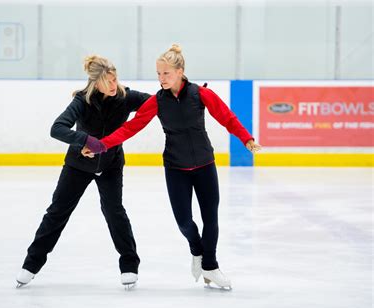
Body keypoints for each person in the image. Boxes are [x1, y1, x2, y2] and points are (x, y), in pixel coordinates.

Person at [84, 44, 261, 289]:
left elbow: (226, 117)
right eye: (158, 74)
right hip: (176, 168)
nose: (161, 78)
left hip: (205, 165)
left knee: (211, 219)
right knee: (184, 222)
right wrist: (101, 144)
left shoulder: (200, 94)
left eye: (166, 73)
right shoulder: (157, 102)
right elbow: (129, 128)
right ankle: (197, 250)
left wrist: (246, 139)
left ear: (180, 71)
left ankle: (211, 266)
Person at [16, 55, 150, 289]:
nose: (113, 85)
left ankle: (129, 265)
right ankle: (31, 264)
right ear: (95, 83)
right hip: (79, 165)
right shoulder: (82, 101)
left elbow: (156, 103)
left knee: (114, 211)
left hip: (110, 164)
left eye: (115, 79)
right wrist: (87, 141)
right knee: (57, 211)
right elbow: (57, 128)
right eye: (107, 81)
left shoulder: (124, 97)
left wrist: (187, 93)